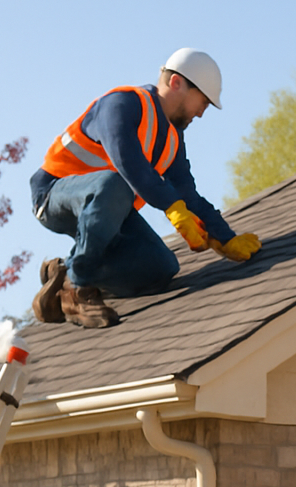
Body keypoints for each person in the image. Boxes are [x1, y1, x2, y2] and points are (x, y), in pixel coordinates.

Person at [29, 48, 261, 329]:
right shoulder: (122, 104)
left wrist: (225, 237)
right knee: (113, 182)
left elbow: (187, 194)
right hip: (54, 195)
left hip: (109, 209)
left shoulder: (173, 140)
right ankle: (80, 290)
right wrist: (172, 208)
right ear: (176, 83)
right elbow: (129, 162)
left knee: (161, 268)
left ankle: (65, 280)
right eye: (202, 102)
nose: (201, 113)